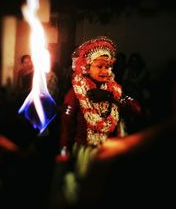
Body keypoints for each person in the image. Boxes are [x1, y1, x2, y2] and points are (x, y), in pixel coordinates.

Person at [51, 36, 141, 208]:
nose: (105, 71)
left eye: (108, 67)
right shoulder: (75, 93)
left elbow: (136, 108)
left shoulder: (115, 91)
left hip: (113, 152)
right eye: (99, 66)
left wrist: (110, 97)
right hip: (86, 155)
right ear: (86, 67)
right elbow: (67, 125)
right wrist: (64, 152)